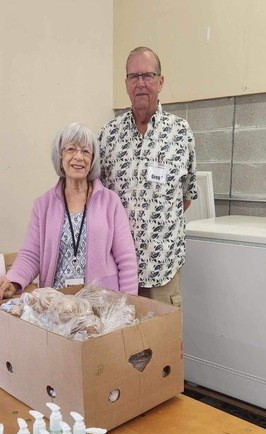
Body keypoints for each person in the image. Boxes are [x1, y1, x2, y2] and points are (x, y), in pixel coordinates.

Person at [0, 122, 138, 300]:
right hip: (57, 304)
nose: (78, 157)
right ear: (60, 155)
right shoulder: (43, 205)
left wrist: (129, 304)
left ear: (92, 160)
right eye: (71, 149)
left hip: (102, 302)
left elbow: (127, 261)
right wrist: (12, 280)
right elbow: (31, 255)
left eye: (86, 151)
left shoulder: (110, 202)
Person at [99, 46, 197, 306]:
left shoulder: (180, 133)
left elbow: (186, 197)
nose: (140, 83)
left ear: (160, 82)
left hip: (163, 272)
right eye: (134, 76)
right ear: (126, 84)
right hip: (117, 273)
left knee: (163, 333)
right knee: (120, 332)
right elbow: (98, 199)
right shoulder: (108, 135)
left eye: (148, 75)